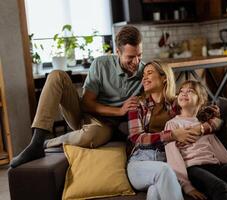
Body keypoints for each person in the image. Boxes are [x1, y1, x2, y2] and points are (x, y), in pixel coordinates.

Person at [11, 25, 144, 168]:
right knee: (57, 75)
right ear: (118, 52)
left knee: (90, 135)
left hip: (105, 127)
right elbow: (87, 103)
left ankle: (44, 144)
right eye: (130, 57)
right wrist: (119, 110)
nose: (136, 62)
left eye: (139, 55)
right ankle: (36, 142)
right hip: (82, 115)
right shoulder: (101, 64)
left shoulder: (145, 73)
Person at [126, 61, 203, 200]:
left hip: (167, 160)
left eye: (149, 73)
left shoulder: (176, 104)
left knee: (155, 191)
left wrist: (211, 117)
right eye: (143, 75)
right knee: (165, 171)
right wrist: (172, 135)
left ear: (164, 77)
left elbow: (202, 112)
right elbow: (136, 137)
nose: (144, 78)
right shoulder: (137, 104)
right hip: (141, 161)